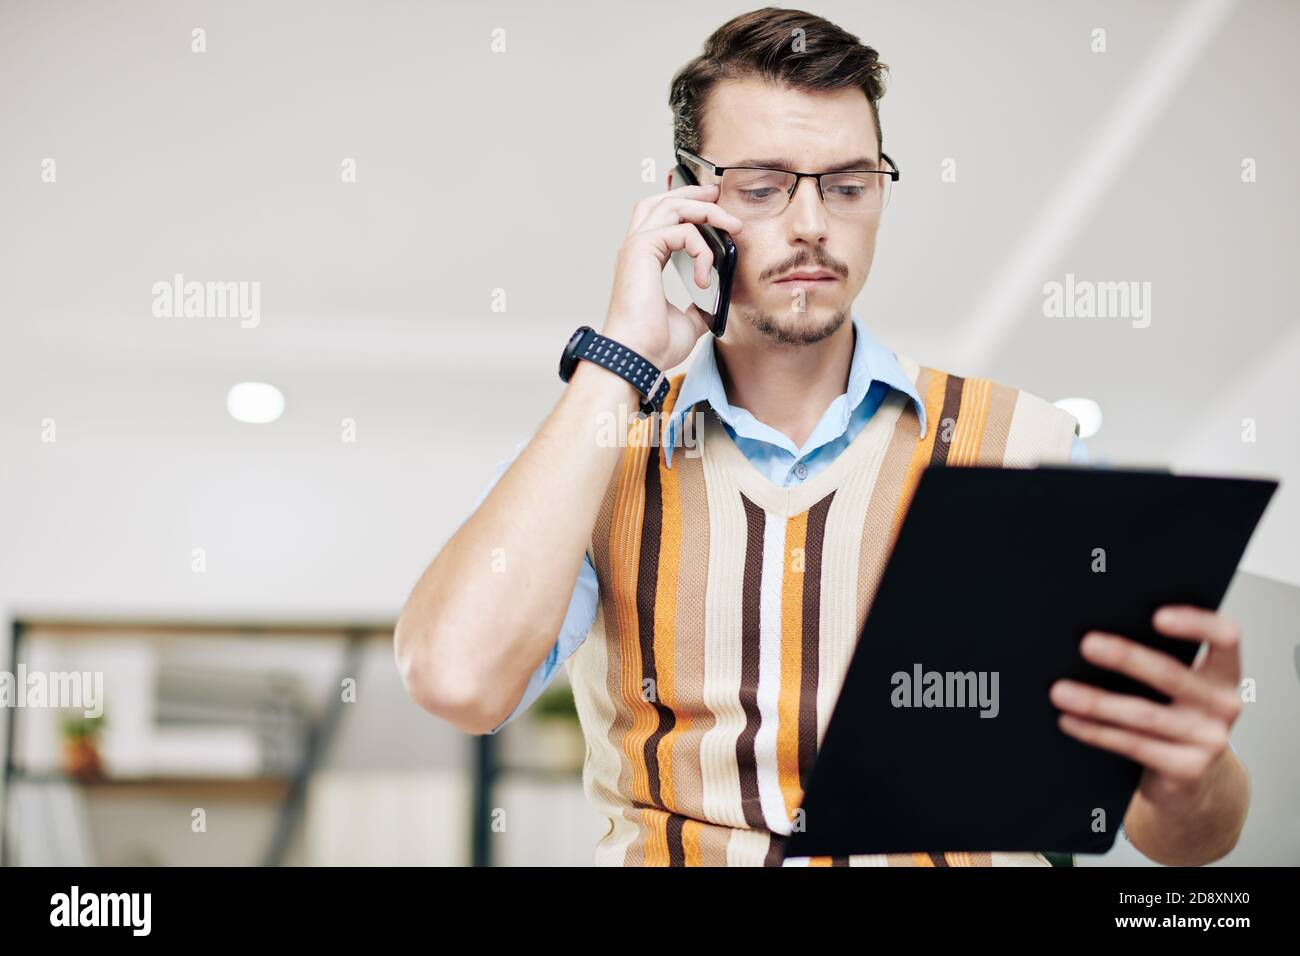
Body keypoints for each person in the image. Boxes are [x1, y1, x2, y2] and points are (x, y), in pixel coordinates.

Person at [396, 7, 1249, 867]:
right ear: (687, 199)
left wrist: (1191, 771)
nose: (811, 225)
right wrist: (621, 359)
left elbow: (1187, 842)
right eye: (763, 185)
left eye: (847, 185)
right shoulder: (597, 449)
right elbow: (456, 679)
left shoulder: (1033, 449)